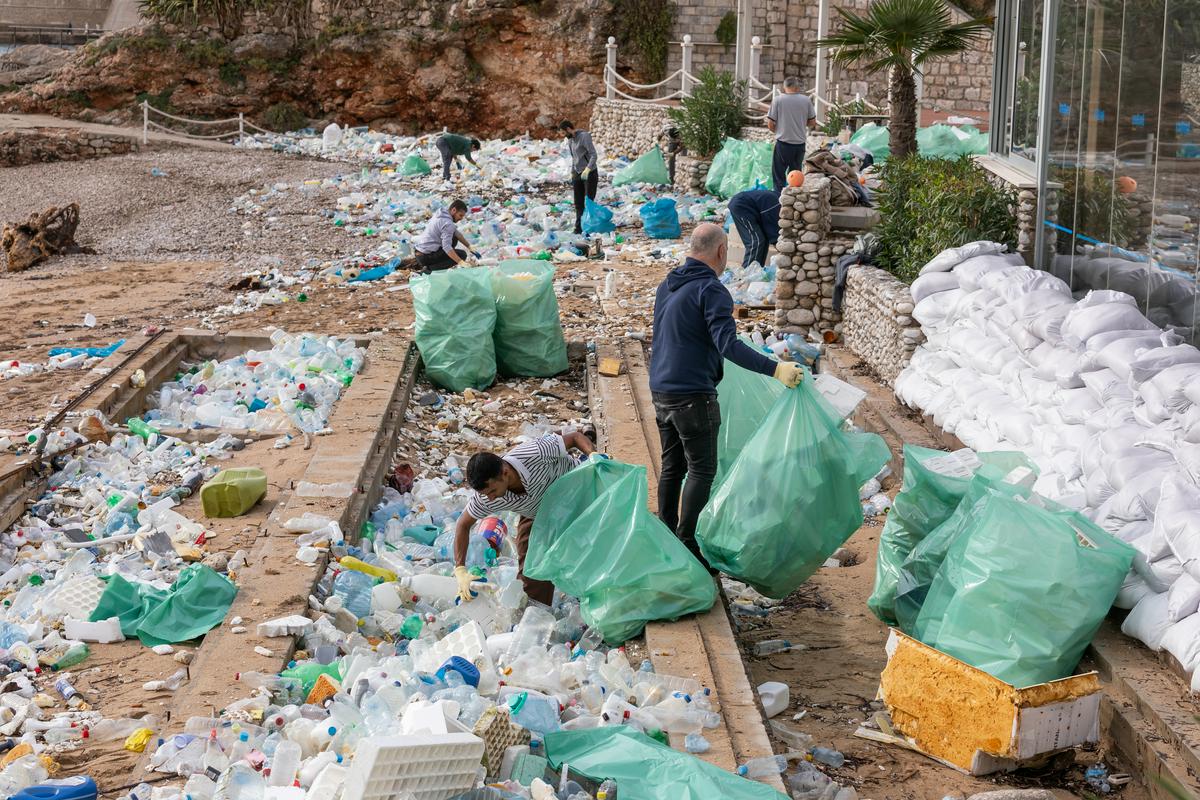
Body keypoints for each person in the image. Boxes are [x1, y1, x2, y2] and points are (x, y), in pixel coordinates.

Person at [649, 223, 805, 569]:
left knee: (672, 466)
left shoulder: (667, 286)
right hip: (692, 395)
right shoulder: (711, 290)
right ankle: (687, 545)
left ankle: (666, 533)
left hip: (661, 390)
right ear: (721, 252)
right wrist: (775, 369)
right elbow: (728, 344)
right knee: (702, 469)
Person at [453, 431, 597, 606]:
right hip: (539, 514)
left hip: (575, 495)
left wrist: (593, 455)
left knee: (588, 550)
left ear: (505, 473)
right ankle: (535, 614)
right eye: (486, 494)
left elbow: (575, 437)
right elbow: (463, 525)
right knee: (531, 570)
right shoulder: (487, 496)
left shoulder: (534, 453)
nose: (490, 499)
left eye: (492, 491)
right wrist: (460, 569)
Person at [767, 77, 817, 192]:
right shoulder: (806, 100)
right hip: (799, 144)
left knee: (778, 175)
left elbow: (770, 123)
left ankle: (778, 200)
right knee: (795, 177)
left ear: (784, 87)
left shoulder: (778, 100)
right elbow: (812, 122)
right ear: (797, 87)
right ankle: (793, 202)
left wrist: (779, 131)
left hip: (783, 144)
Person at [412, 199, 475, 273]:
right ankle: (429, 269)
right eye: (460, 215)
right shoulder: (448, 223)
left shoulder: (441, 213)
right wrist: (461, 262)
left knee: (454, 237)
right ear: (454, 210)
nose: (461, 218)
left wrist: (469, 246)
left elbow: (457, 234)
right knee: (462, 254)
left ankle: (431, 265)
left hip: (420, 253)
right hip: (426, 257)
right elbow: (447, 247)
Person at [727, 188, 782, 269]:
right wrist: (784, 251)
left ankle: (758, 270)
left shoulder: (777, 201)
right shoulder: (776, 205)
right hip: (741, 206)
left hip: (749, 207)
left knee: (763, 240)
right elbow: (773, 235)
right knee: (755, 241)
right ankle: (748, 272)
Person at [560, 120, 598, 235]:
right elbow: (574, 158)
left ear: (568, 129)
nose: (562, 135)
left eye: (563, 132)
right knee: (578, 203)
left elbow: (593, 155)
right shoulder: (570, 140)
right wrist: (573, 173)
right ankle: (578, 228)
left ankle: (589, 227)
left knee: (589, 201)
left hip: (589, 173)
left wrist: (588, 169)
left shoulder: (584, 136)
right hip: (577, 173)